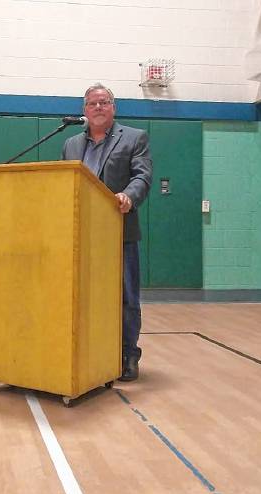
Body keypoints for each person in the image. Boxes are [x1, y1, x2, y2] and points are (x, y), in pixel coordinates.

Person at [62, 83, 153, 381]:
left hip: (119, 233)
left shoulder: (134, 138)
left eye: (104, 102)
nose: (98, 107)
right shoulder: (71, 144)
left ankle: (128, 354)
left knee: (126, 298)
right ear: (84, 111)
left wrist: (129, 195)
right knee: (83, 295)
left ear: (114, 107)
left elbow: (142, 175)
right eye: (92, 103)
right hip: (81, 236)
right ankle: (91, 352)